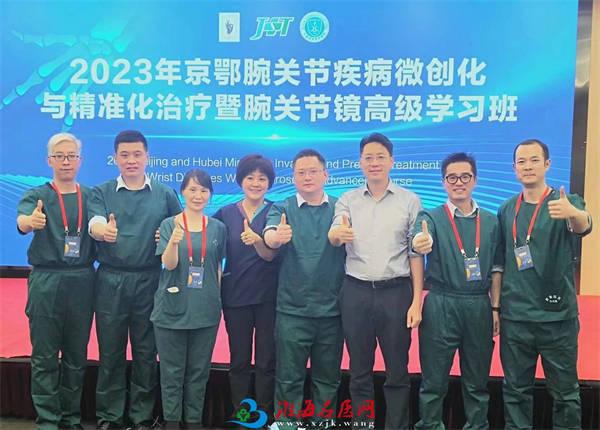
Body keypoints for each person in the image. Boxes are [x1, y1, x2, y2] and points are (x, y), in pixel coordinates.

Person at [328, 132, 424, 430]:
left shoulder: (409, 200)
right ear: (360, 162)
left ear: (391, 161)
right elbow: (335, 232)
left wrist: (416, 301)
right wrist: (337, 234)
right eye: (368, 157)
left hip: (396, 293)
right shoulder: (348, 200)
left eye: (380, 157)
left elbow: (415, 254)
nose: (374, 162)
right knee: (359, 372)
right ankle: (363, 425)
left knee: (397, 372)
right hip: (355, 292)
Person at [88, 130, 181, 430]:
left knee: (146, 352)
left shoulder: (164, 194)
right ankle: (109, 417)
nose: (131, 160)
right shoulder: (101, 192)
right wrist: (102, 231)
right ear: (115, 158)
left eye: (137, 154)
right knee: (110, 352)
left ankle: (142, 417)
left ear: (147, 157)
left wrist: (167, 236)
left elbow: (181, 227)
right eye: (124, 155)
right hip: (111, 281)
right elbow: (94, 222)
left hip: (150, 280)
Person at [497, 139, 592, 429]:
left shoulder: (565, 201)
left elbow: (584, 225)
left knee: (565, 394)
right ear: (514, 168)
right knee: (515, 392)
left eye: (534, 160)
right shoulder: (507, 209)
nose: (527, 166)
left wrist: (573, 214)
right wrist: (496, 308)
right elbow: (500, 262)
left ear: (547, 164)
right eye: (521, 161)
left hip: (557, 318)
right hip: (516, 318)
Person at [411, 152, 502, 430]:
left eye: (465, 176)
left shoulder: (491, 221)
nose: (458, 182)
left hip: (479, 306)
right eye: (452, 177)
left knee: (477, 382)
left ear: (475, 180)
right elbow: (419, 239)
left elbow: (497, 268)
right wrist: (421, 241)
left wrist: (495, 308)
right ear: (443, 182)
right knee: (433, 382)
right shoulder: (430, 217)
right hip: (441, 303)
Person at [16, 132, 96, 430]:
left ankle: (70, 419)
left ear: (80, 160)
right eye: (59, 156)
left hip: (82, 280)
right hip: (47, 280)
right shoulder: (36, 195)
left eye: (71, 156)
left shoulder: (91, 196)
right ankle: (48, 421)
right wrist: (30, 222)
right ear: (49, 160)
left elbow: (99, 225)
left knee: (76, 355)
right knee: (45, 356)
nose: (66, 161)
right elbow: (23, 221)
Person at [263, 149, 346, 430]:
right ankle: (287, 424)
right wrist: (276, 237)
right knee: (289, 378)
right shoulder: (282, 208)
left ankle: (323, 424)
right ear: (293, 177)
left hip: (332, 312)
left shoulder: (340, 208)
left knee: (327, 379)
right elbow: (270, 236)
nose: (307, 177)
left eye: (313, 171)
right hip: (292, 311)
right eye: (301, 172)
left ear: (325, 175)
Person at [150, 169, 227, 430]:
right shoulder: (168, 225)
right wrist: (173, 242)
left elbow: (217, 268)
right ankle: (172, 422)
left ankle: (194, 421)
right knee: (171, 372)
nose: (198, 195)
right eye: (192, 189)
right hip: (171, 309)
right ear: (182, 191)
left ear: (210, 194)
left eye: (204, 190)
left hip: (205, 310)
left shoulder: (218, 228)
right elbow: (169, 264)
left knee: (198, 372)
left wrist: (216, 300)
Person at [213, 154, 278, 423]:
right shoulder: (225, 214)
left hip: (269, 299)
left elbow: (273, 255)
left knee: (266, 362)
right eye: (250, 177)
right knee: (239, 361)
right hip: (235, 298)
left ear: (269, 182)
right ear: (240, 180)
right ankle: (241, 417)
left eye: (262, 178)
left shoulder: (277, 212)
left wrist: (257, 240)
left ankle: (264, 416)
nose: (256, 183)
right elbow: (206, 244)